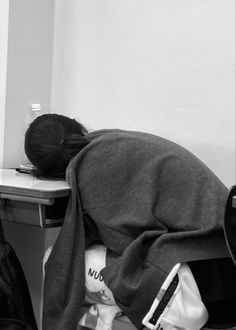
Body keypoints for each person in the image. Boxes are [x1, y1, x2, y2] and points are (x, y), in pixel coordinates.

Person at [24, 114, 236, 330]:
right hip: (225, 255)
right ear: (77, 128)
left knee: (56, 261)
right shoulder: (114, 140)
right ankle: (109, 315)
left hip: (207, 276)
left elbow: (123, 244)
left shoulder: (91, 170)